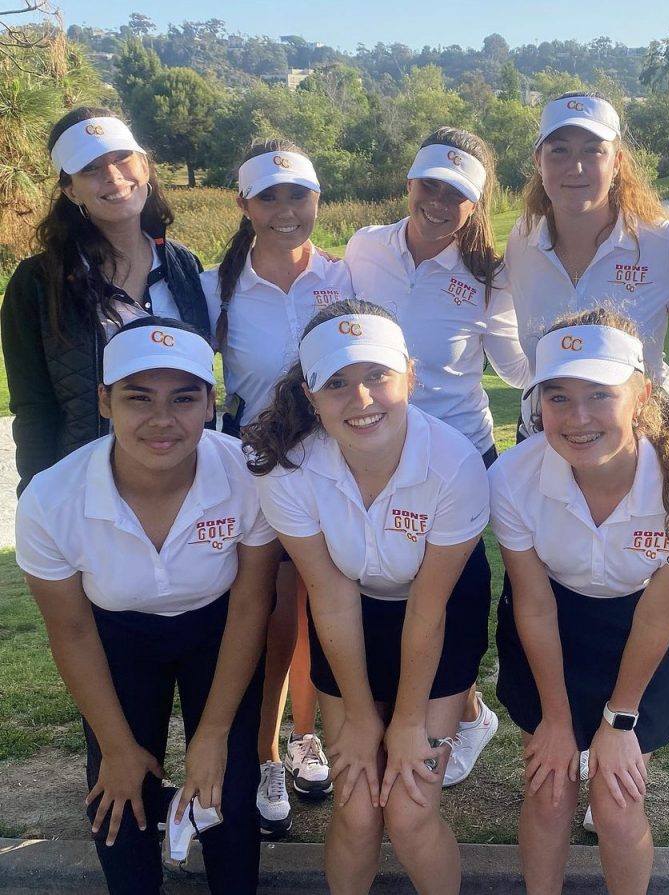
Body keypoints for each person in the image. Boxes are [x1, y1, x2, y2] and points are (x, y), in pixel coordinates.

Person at [14, 317, 282, 895]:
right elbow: (73, 632)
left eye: (184, 398)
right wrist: (114, 746)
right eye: (139, 398)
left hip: (219, 629)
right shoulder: (50, 500)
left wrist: (211, 736)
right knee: (118, 790)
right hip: (116, 637)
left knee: (229, 789)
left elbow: (251, 603)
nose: (163, 420)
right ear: (104, 401)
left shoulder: (248, 472)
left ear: (211, 403)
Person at [246, 299, 492, 894]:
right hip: (350, 610)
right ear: (310, 396)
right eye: (337, 383)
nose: (361, 401)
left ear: (410, 373)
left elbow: (429, 610)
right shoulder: (287, 471)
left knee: (407, 811)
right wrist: (359, 717)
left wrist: (407, 721)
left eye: (377, 376)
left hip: (439, 609)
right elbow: (329, 599)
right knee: (355, 810)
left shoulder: (454, 465)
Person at [489, 308, 669, 895]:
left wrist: (618, 721)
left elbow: (659, 611)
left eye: (599, 394)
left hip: (645, 624)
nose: (578, 418)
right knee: (550, 790)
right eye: (557, 397)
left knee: (616, 798)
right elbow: (534, 605)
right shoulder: (512, 479)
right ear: (537, 404)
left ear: (641, 395)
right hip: (554, 621)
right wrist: (555, 719)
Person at [344, 127, 530, 786]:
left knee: (447, 591)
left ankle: (465, 706)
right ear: (410, 183)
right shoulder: (365, 247)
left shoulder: (488, 275)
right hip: (373, 451)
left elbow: (515, 361)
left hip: (456, 458)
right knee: (385, 584)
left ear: (476, 203)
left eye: (457, 193)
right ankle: (423, 708)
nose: (439, 201)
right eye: (430, 185)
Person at [203, 140, 352, 835]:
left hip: (330, 469)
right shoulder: (217, 288)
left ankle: (304, 736)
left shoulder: (346, 274)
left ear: (317, 199)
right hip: (252, 471)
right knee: (271, 614)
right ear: (244, 205)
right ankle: (266, 752)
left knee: (322, 609)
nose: (287, 211)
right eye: (269, 197)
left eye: (299, 196)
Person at [1, 107, 210, 496]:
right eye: (92, 168)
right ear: (70, 189)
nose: (114, 177)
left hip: (188, 485)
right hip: (88, 489)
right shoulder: (36, 282)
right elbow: (33, 407)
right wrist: (37, 496)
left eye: (121, 159)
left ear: (144, 167)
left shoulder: (183, 264)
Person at [505, 92, 669, 426]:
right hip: (547, 435)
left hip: (644, 441)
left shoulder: (662, 244)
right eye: (559, 150)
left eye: (593, 150)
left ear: (617, 163)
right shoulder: (521, 240)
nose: (575, 166)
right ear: (538, 161)